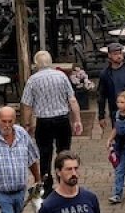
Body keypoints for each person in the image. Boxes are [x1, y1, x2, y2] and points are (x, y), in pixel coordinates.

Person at [23, 50, 83, 189]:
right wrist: (77, 120)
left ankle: (47, 185)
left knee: (45, 155)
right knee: (64, 152)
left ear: (36, 64)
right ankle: (65, 180)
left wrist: (27, 124)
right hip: (62, 119)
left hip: (44, 122)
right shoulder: (61, 76)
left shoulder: (33, 80)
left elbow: (27, 105)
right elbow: (72, 100)